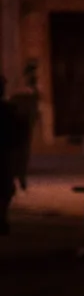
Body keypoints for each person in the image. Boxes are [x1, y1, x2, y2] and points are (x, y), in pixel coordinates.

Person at [0, 77, 25, 234]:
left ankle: (2, 219)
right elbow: (18, 136)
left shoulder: (8, 110)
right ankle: (2, 219)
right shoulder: (8, 110)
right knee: (4, 189)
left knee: (5, 188)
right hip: (4, 155)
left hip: (4, 154)